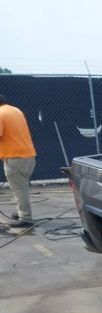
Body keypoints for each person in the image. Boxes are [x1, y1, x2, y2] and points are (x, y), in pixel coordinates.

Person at [0, 95, 37, 227]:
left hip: (15, 158)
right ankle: (20, 211)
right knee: (21, 187)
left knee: (19, 188)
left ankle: (26, 218)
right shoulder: (15, 110)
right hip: (29, 156)